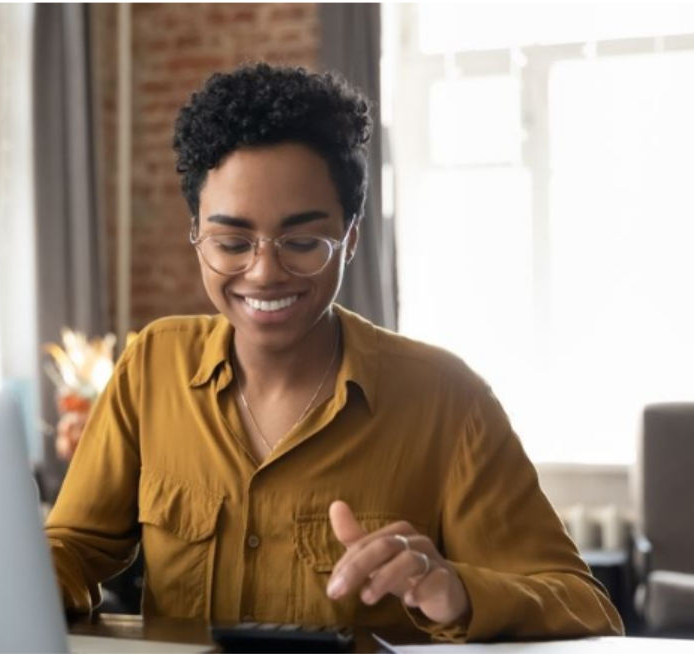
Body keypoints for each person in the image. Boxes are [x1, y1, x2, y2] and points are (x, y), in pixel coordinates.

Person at [44, 63, 623, 642]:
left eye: (302, 242)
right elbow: (73, 547)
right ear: (195, 233)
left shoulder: (448, 400)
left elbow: (586, 607)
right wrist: (27, 574)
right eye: (231, 242)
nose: (265, 272)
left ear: (350, 239)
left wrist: (455, 590)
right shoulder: (152, 366)